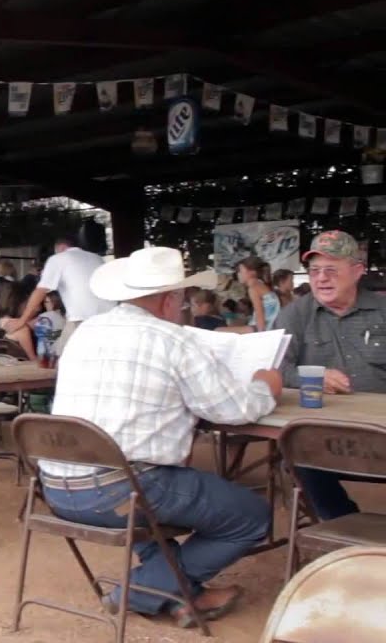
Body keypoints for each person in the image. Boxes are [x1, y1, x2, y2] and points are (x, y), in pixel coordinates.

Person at [41, 247, 280, 627]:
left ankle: (185, 597)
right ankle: (140, 590)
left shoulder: (85, 333)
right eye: (182, 300)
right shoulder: (174, 340)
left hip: (57, 488)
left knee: (157, 496)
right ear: (171, 299)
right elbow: (234, 411)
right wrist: (266, 386)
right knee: (251, 516)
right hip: (121, 492)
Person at [276, 230, 386, 521]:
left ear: (357, 271)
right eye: (314, 271)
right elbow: (272, 370)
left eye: (330, 270)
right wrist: (309, 378)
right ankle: (341, 527)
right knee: (295, 457)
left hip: (382, 433)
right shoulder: (294, 315)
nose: (321, 278)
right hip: (325, 438)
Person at [5, 234, 113, 355]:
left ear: (61, 247)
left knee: (61, 357)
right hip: (110, 316)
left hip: (82, 318)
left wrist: (22, 320)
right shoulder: (97, 258)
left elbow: (41, 291)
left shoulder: (58, 258)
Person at [227, 256, 280, 332]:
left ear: (251, 272)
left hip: (261, 328)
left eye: (240, 270)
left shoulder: (253, 288)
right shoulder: (260, 284)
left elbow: (259, 314)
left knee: (218, 330)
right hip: (268, 326)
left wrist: (260, 335)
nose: (238, 274)